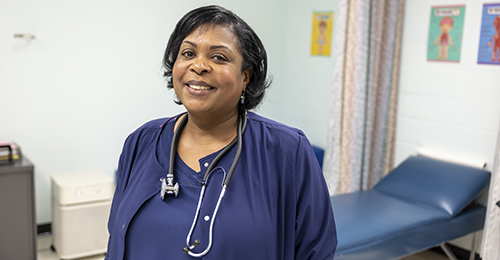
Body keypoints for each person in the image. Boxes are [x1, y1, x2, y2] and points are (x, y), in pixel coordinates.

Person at [105, 5, 337, 260]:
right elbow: (116, 238)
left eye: (218, 57)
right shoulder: (141, 141)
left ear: (245, 77)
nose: (199, 65)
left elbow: (316, 251)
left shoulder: (288, 150)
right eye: (188, 53)